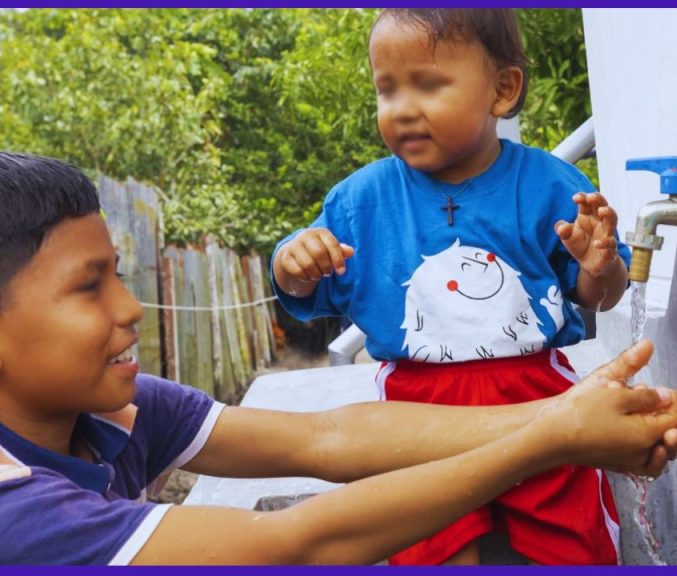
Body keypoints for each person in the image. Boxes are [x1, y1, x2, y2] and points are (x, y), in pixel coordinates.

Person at [0, 148, 677, 565]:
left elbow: (326, 442)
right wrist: (555, 440)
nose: (129, 309)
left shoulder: (103, 413)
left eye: (118, 275)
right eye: (90, 288)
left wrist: (566, 412)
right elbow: (296, 547)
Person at [271, 9, 635, 566]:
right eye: (386, 91)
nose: (403, 109)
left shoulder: (548, 185)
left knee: (569, 544)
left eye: (429, 84)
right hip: (417, 411)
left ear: (502, 89)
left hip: (537, 399)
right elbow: (303, 287)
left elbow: (599, 298)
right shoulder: (360, 201)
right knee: (428, 543)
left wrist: (599, 265)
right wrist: (290, 264)